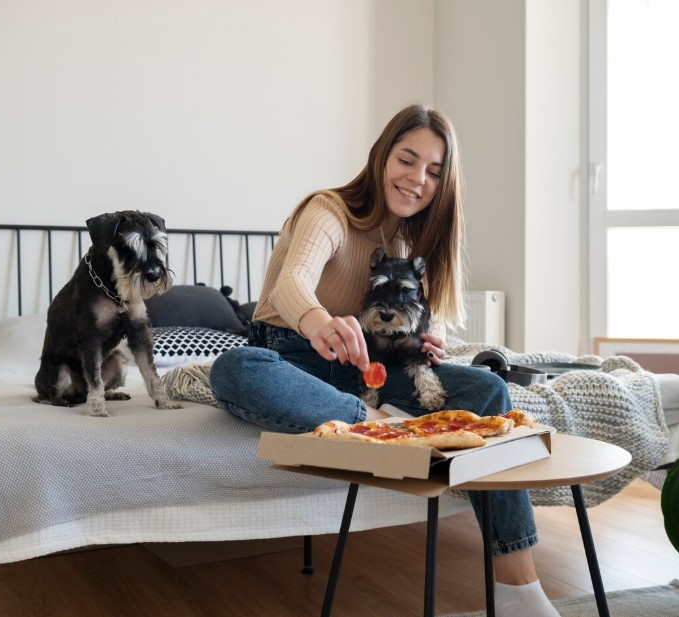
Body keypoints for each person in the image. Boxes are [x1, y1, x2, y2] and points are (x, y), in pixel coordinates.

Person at [210, 104, 560, 617]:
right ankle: (376, 426)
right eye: (408, 159)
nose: (417, 179)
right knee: (233, 369)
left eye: (434, 171)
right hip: (295, 357)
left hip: (370, 366)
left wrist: (431, 338)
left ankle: (518, 589)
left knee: (488, 393)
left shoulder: (406, 241)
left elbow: (422, 312)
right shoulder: (327, 211)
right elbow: (293, 282)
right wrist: (318, 322)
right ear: (381, 156)